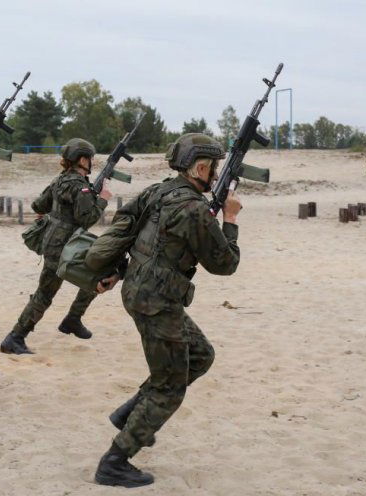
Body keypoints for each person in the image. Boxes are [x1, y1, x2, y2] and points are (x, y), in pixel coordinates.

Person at [90, 133, 242, 487]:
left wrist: (117, 271)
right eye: (214, 167)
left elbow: (139, 239)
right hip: (156, 302)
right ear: (201, 167)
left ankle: (131, 414)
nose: (216, 173)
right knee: (170, 387)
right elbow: (225, 263)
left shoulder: (158, 192)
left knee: (201, 355)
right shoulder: (192, 209)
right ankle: (115, 460)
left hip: (142, 293)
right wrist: (230, 220)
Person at [0, 138, 111, 355]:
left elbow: (38, 206)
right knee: (102, 274)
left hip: (51, 244)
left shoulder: (59, 180)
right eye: (90, 158)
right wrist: (103, 199)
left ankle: (16, 337)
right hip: (68, 247)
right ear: (82, 159)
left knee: (45, 292)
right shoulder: (80, 186)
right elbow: (86, 219)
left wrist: (57, 216)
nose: (92, 163)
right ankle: (72, 319)